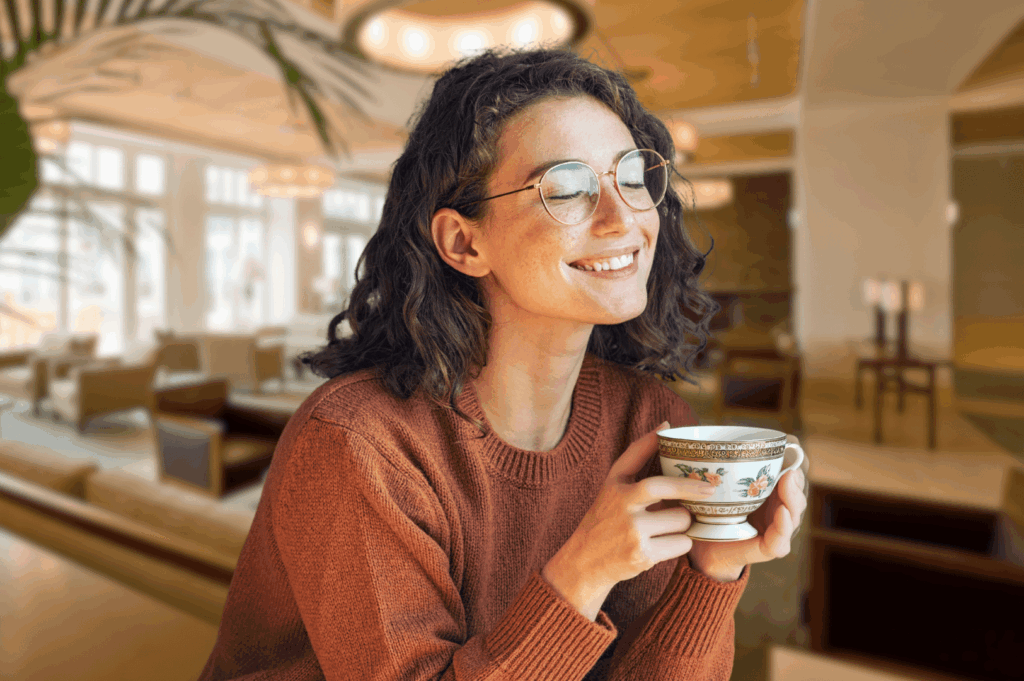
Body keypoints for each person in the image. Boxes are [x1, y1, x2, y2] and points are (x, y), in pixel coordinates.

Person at [197, 47, 807, 681]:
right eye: (566, 189)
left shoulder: (651, 420)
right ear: (465, 242)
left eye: (631, 176)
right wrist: (580, 576)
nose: (621, 216)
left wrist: (713, 570)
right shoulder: (361, 445)